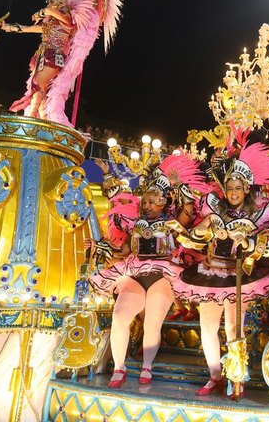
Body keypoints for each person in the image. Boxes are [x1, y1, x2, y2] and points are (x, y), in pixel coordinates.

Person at [169, 129, 269, 398]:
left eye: (238, 188)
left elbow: (266, 246)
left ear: (246, 188)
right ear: (224, 190)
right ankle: (214, 376)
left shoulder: (260, 213)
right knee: (207, 327)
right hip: (211, 273)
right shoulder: (213, 210)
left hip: (239, 277)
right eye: (230, 188)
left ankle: (236, 377)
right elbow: (195, 239)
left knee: (234, 327)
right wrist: (189, 230)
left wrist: (246, 242)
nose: (233, 192)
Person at [88, 154, 205, 388]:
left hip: (163, 275)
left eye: (152, 202)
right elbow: (122, 250)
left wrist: (178, 184)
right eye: (145, 202)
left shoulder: (171, 225)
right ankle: (119, 368)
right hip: (135, 273)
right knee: (120, 317)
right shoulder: (135, 226)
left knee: (152, 322)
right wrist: (98, 246)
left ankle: (147, 367)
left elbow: (188, 210)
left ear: (163, 203)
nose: (147, 206)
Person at [1, 0, 129, 126]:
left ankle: (30, 122)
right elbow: (34, 29)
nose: (52, 2)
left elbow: (65, 22)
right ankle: (41, 121)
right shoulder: (51, 21)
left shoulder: (68, 17)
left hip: (55, 57)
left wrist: (45, 11)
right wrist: (11, 28)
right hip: (42, 56)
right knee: (38, 89)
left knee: (38, 84)